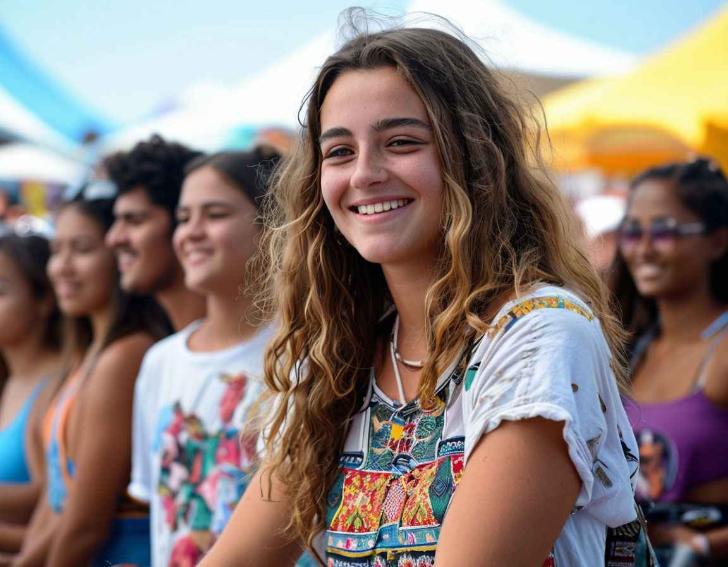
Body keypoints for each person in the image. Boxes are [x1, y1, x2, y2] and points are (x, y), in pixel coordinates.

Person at [200, 20, 650, 567]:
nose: (364, 174)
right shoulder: (334, 359)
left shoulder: (539, 335)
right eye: (338, 151)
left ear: (476, 158)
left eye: (401, 143)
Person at [128, 147, 282, 566]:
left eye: (214, 214)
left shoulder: (298, 354)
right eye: (183, 218)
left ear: (271, 227)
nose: (191, 232)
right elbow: (161, 506)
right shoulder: (161, 362)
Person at [11, 191, 170, 567]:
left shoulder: (125, 356)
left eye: (81, 249)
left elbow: (85, 525)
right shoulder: (85, 357)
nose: (61, 267)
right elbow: (57, 501)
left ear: (116, 254)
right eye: (56, 250)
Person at [611, 158, 728, 566]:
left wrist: (703, 547)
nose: (644, 249)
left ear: (718, 241)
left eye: (664, 231)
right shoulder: (628, 349)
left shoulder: (722, 354)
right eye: (632, 232)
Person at [0, 233, 63, 555]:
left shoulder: (58, 386)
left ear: (44, 300)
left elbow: (53, 497)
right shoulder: (9, 381)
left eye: (0, 291)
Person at [104, 134, 206, 331]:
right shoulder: (165, 348)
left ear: (182, 223)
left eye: (134, 221)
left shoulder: (262, 343)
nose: (113, 239)